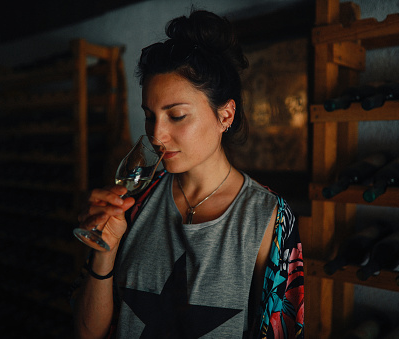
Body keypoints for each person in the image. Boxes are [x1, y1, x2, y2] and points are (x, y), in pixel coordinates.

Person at [71, 9, 304, 339]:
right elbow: (87, 333)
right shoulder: (134, 204)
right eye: (150, 116)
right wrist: (104, 254)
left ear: (225, 114)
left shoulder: (268, 220)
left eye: (177, 115)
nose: (157, 135)